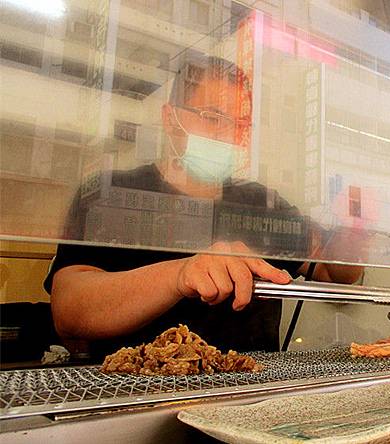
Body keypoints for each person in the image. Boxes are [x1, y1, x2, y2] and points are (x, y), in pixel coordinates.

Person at [44, 56, 363, 361]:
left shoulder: (264, 205)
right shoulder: (110, 194)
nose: (228, 135)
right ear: (170, 118)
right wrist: (180, 274)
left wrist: (355, 226)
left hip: (251, 397)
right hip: (135, 396)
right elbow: (69, 311)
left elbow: (336, 272)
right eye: (213, 117)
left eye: (240, 124)